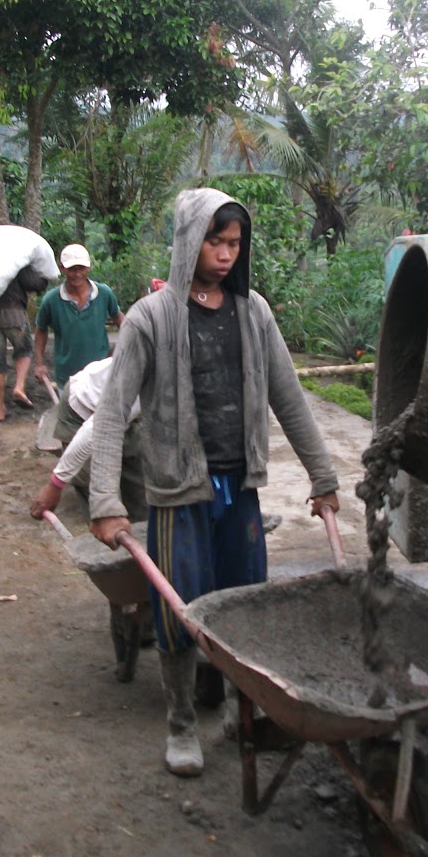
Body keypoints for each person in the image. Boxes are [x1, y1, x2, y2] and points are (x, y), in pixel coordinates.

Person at [87, 187, 340, 778]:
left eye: (234, 243)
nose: (226, 254)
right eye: (214, 241)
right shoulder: (151, 318)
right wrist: (103, 498)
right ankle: (179, 721)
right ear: (187, 241)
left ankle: (239, 708)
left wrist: (322, 475)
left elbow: (289, 397)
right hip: (179, 494)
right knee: (179, 612)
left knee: (245, 605)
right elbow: (112, 411)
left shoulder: (254, 312)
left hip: (239, 488)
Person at [27, 355, 146, 523]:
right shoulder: (148, 379)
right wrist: (55, 485)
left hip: (126, 413)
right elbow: (95, 428)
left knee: (141, 494)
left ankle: (142, 539)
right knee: (103, 509)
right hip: (83, 408)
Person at [33, 244, 124, 393]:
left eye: (81, 269)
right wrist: (39, 364)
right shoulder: (51, 300)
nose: (77, 274)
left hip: (100, 375)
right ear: (62, 268)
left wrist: (133, 340)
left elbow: (119, 319)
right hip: (68, 377)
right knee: (70, 415)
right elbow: (41, 330)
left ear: (88, 268)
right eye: (72, 269)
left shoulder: (103, 294)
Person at [0, 267, 48, 421]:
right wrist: (44, 277)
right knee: (24, 350)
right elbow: (33, 283)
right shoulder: (14, 255)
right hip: (14, 313)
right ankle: (19, 387)